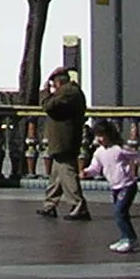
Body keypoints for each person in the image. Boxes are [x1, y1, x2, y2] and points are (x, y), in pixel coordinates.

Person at [81, 118, 140, 253]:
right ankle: (124, 237)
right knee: (121, 213)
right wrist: (87, 172)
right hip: (115, 186)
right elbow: (96, 168)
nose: (99, 139)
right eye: (97, 136)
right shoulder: (99, 153)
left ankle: (131, 239)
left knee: (119, 212)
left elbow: (137, 156)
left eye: (102, 136)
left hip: (127, 185)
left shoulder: (119, 149)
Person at [36, 67, 89, 220]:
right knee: (57, 175)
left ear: (58, 81)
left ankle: (78, 205)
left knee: (67, 173)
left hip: (64, 140)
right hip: (62, 140)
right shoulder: (69, 92)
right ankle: (50, 204)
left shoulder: (68, 92)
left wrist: (45, 91)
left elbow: (48, 106)